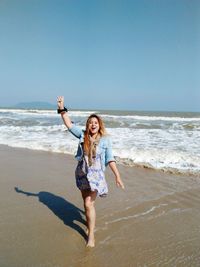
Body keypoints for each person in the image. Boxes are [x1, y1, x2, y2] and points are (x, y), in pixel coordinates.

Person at [57, 96, 124, 247]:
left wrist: (117, 176)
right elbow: (68, 124)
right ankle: (89, 222)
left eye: (96, 122)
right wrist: (62, 108)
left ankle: (91, 235)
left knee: (88, 204)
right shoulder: (82, 135)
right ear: (88, 125)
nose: (93, 124)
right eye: (90, 122)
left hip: (97, 176)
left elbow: (110, 159)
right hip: (82, 173)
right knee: (85, 202)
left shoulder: (106, 140)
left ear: (99, 125)